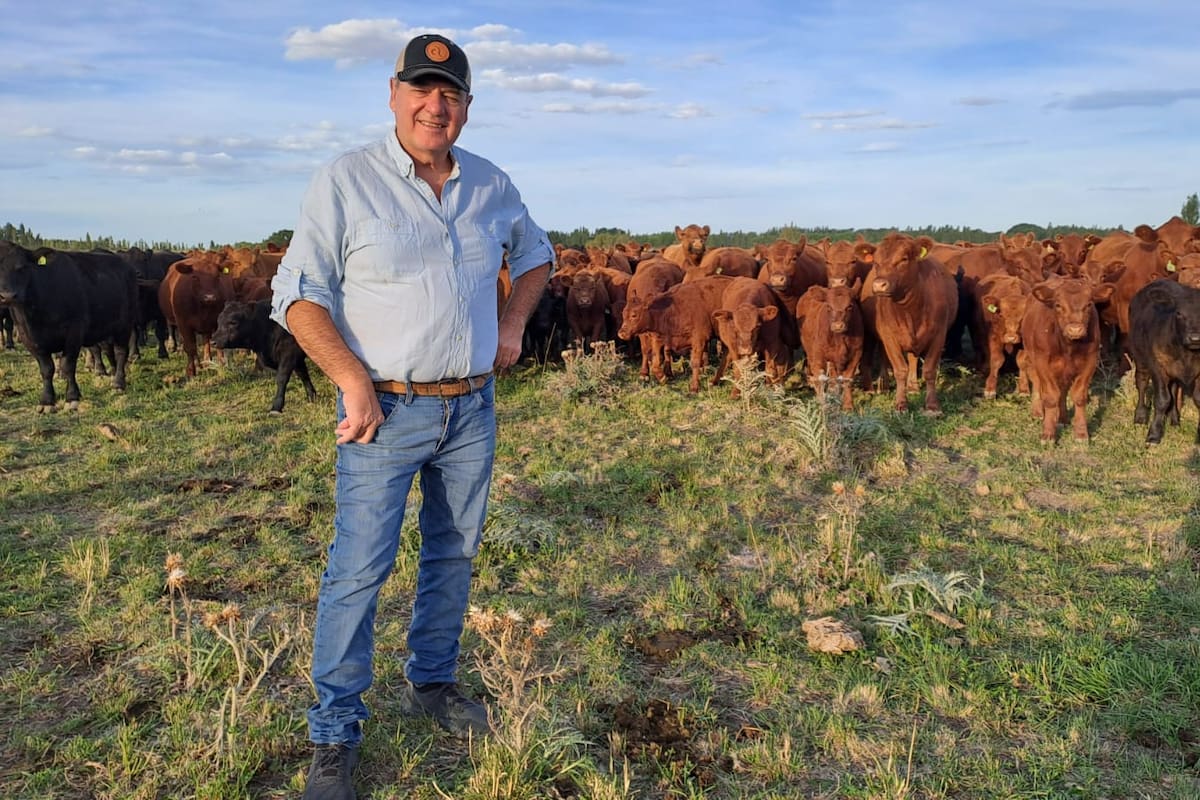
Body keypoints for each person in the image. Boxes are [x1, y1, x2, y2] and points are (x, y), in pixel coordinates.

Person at [270, 32, 554, 800]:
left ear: (467, 105)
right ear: (393, 94)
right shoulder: (346, 181)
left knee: (453, 553)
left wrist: (512, 326)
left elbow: (536, 255)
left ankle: (432, 682)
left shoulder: (491, 183)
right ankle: (334, 732)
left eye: (451, 93)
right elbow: (296, 295)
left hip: (471, 408)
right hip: (384, 410)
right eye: (423, 89)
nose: (436, 105)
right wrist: (350, 380)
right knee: (360, 568)